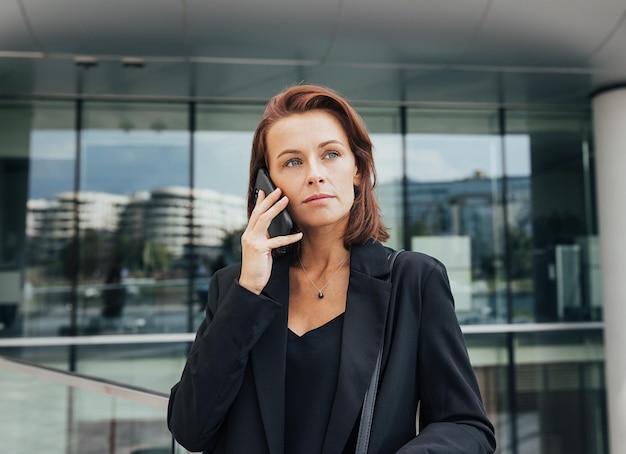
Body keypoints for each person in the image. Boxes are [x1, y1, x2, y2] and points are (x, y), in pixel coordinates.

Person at [168, 84, 496, 453]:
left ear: (358, 168)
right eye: (292, 161)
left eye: (331, 154)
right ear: (267, 185)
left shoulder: (414, 281)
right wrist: (248, 293)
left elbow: (465, 424)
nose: (315, 174)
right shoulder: (234, 287)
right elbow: (190, 429)